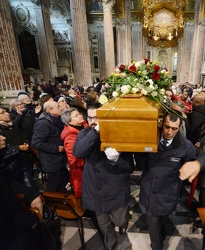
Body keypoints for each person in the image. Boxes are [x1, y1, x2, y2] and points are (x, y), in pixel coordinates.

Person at [73, 104, 133, 250]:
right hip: (96, 190)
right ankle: (110, 247)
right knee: (105, 227)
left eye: (97, 118)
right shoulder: (85, 133)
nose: (93, 121)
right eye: (90, 117)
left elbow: (129, 167)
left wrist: (117, 160)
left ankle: (123, 223)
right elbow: (79, 152)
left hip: (115, 189)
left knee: (120, 220)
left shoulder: (118, 134)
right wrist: (96, 131)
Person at [138, 111, 196, 250]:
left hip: (168, 193)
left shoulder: (186, 147)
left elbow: (189, 169)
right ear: (161, 124)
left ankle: (161, 237)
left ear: (180, 128)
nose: (169, 132)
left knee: (162, 220)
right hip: (150, 189)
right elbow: (140, 164)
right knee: (153, 222)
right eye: (166, 126)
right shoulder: (151, 138)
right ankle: (156, 246)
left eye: (174, 128)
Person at [32, 101, 68, 192]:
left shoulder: (56, 120)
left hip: (60, 159)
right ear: (50, 110)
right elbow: (36, 143)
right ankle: (52, 203)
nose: (61, 108)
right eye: (58, 107)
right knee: (55, 185)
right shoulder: (43, 123)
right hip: (51, 161)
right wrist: (56, 148)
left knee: (62, 183)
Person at [60, 107, 86, 198]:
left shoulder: (84, 126)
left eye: (79, 114)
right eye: (76, 115)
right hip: (82, 174)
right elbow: (74, 160)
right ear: (69, 122)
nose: (80, 116)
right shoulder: (70, 136)